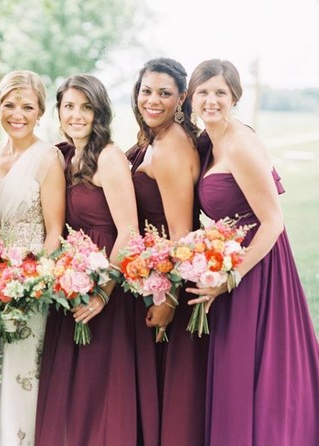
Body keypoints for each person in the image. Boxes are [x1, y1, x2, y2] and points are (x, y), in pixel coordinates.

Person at [186, 59, 319, 446]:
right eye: (203, 92)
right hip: (232, 261)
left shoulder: (240, 144)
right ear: (192, 97)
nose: (211, 100)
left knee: (259, 367)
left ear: (234, 98)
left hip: (257, 268)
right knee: (236, 368)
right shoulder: (210, 141)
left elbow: (273, 221)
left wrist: (231, 276)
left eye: (220, 93)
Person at [35, 74, 141, 445]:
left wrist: (103, 293)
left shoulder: (109, 157)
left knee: (99, 388)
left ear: (99, 112)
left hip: (105, 282)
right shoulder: (64, 154)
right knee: (72, 385)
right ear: (59, 111)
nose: (76, 115)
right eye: (69, 107)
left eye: (86, 107)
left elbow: (129, 230)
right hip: (72, 278)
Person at [124, 58, 208, 446]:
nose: (152, 100)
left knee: (167, 398)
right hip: (150, 279)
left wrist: (169, 300)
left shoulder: (172, 146)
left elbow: (182, 234)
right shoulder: (156, 138)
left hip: (168, 287)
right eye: (146, 91)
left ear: (181, 99)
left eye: (164, 93)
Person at [0, 70, 65, 446]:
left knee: (21, 371)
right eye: (10, 105)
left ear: (40, 112)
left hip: (29, 284)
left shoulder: (48, 157)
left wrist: (32, 282)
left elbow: (55, 232)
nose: (18, 113)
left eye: (28, 106)